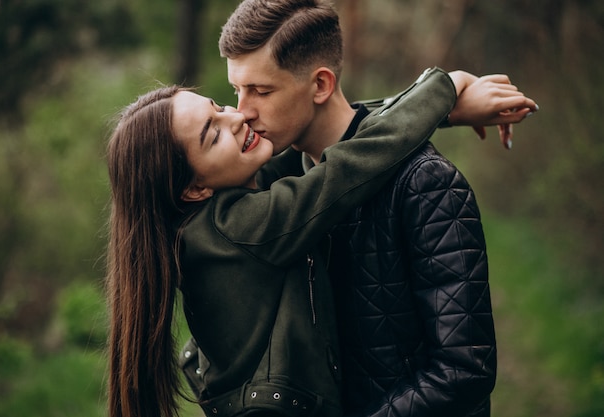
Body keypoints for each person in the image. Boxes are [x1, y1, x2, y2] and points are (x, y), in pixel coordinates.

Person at [215, 1, 539, 417]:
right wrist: (444, 99)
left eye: (261, 91)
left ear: (320, 85)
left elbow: (464, 371)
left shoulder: (426, 183)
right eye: (236, 90)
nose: (243, 112)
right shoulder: (270, 188)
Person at [106, 68, 481, 417]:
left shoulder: (196, 225)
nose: (238, 118)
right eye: (214, 133)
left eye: (218, 106)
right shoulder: (242, 225)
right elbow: (353, 163)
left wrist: (440, 108)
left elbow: (328, 127)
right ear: (193, 188)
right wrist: (445, 85)